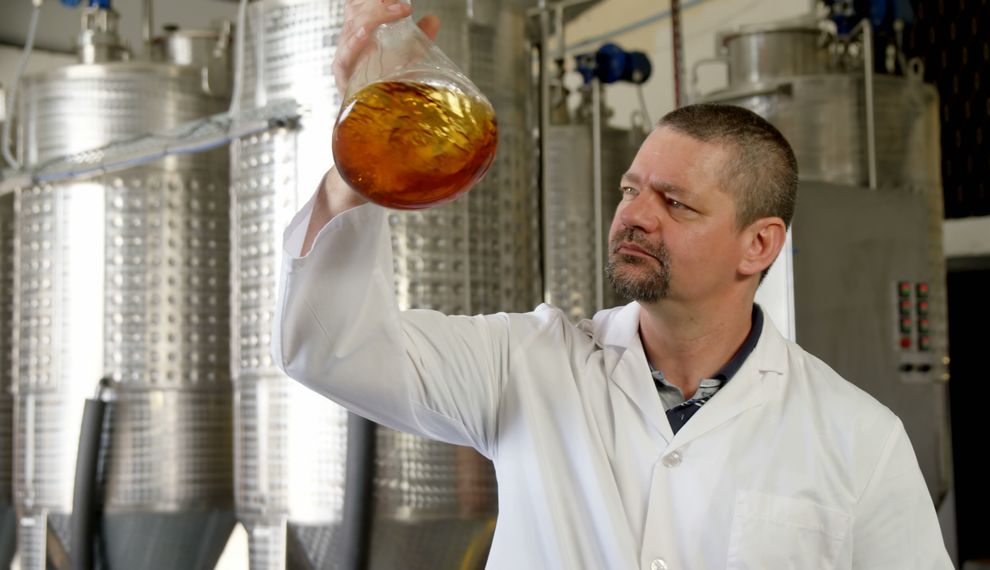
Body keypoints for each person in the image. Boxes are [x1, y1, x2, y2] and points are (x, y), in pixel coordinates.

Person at [273, 1, 954, 568]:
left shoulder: (858, 437)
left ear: (759, 244)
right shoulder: (527, 365)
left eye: (674, 202)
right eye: (630, 189)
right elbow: (332, 349)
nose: (632, 214)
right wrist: (358, 163)